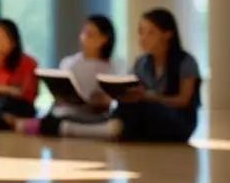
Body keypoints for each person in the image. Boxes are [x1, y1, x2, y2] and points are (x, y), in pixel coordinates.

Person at [55, 8, 201, 143]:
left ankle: (95, 129)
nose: (143, 38)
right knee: (129, 107)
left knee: (144, 109)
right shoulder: (141, 63)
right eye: (140, 32)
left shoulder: (185, 62)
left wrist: (149, 97)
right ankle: (105, 128)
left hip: (178, 120)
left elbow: (183, 100)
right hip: (148, 116)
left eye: (150, 33)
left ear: (168, 34)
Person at [7, 15, 117, 136]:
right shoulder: (69, 63)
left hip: (94, 115)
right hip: (66, 110)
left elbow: (111, 100)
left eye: (90, 35)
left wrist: (100, 100)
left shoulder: (113, 67)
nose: (83, 38)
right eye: (83, 33)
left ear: (104, 39)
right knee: (55, 117)